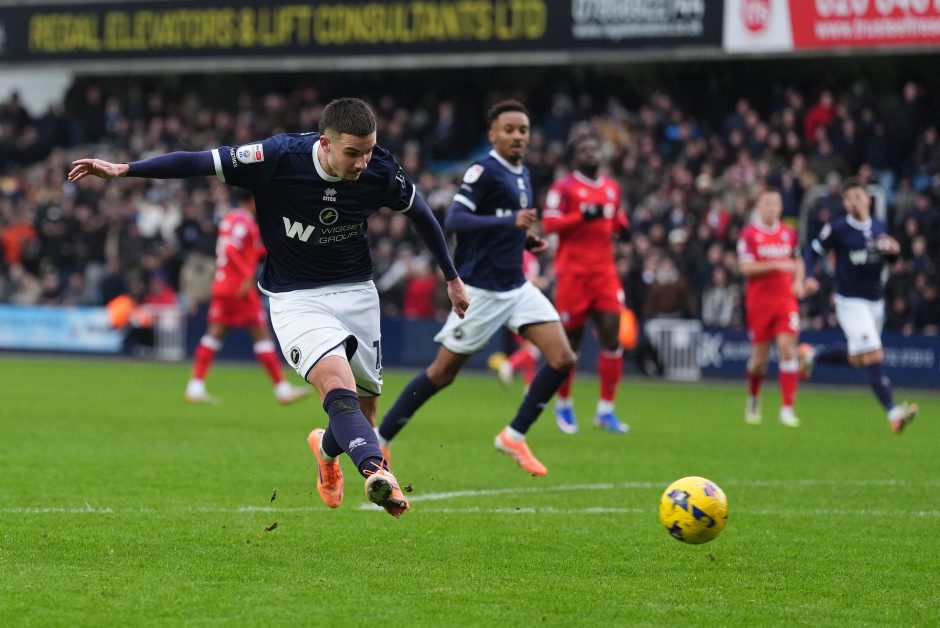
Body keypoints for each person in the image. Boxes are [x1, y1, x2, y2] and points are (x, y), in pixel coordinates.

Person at [69, 97, 470, 518]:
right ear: (325, 143)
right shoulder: (277, 156)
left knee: (364, 414)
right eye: (353, 153)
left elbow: (420, 212)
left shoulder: (380, 169)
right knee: (338, 388)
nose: (362, 163)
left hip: (356, 293)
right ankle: (377, 471)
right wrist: (125, 169)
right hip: (296, 298)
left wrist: (452, 277)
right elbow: (199, 161)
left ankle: (326, 451)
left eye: (368, 151)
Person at [376, 100, 576, 476]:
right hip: (481, 291)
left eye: (523, 130)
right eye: (509, 130)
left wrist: (525, 239)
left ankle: (514, 436)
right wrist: (510, 221)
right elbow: (456, 219)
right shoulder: (483, 170)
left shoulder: (522, 172)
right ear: (493, 135)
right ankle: (381, 438)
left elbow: (504, 225)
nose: (517, 136)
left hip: (516, 288)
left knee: (563, 358)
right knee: (441, 374)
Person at [804, 178, 918, 433]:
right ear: (845, 203)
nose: (854, 201)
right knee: (875, 354)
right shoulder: (838, 228)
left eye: (858, 196)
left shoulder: (879, 226)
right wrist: (810, 276)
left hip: (875, 302)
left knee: (858, 359)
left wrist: (894, 253)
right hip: (850, 302)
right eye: (849, 198)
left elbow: (891, 260)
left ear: (868, 199)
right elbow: (812, 251)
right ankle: (894, 412)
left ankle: (812, 355)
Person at [184, 189, 310, 406]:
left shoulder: (231, 218)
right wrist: (246, 275)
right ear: (252, 199)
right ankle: (282, 390)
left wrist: (273, 247)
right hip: (239, 288)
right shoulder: (244, 221)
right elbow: (231, 249)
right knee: (261, 335)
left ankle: (195, 387)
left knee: (214, 335)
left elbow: (243, 249)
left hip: (223, 284)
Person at [540, 134, 630, 434]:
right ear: (574, 157)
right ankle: (564, 404)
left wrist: (624, 227)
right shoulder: (563, 188)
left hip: (605, 274)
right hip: (573, 275)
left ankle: (606, 411)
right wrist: (582, 215)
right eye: (584, 150)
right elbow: (549, 223)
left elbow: (615, 219)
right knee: (571, 344)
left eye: (594, 148)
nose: (591, 153)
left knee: (612, 338)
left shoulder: (612, 187)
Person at [736, 187, 809, 427]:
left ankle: (787, 408)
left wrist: (799, 282)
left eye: (775, 204)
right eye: (767, 203)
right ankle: (753, 397)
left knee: (787, 350)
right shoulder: (749, 234)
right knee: (759, 360)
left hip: (785, 300)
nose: (771, 208)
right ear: (759, 206)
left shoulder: (789, 233)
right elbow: (746, 268)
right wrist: (776, 264)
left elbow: (797, 260)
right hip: (759, 302)